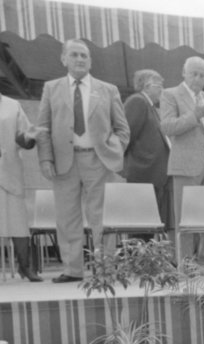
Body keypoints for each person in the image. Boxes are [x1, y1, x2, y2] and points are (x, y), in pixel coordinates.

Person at [36, 38, 130, 282]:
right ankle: (72, 269)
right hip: (63, 162)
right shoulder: (51, 88)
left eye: (84, 56)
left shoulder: (108, 89)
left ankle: (105, 267)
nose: (79, 59)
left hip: (99, 160)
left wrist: (115, 149)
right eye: (74, 55)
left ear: (90, 61)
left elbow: (122, 128)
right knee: (67, 217)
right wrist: (46, 158)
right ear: (64, 59)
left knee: (102, 217)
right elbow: (43, 128)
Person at [160, 56, 204, 263]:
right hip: (185, 164)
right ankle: (186, 263)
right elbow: (168, 127)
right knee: (185, 216)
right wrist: (194, 116)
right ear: (184, 73)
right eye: (194, 74)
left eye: (202, 75)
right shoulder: (170, 94)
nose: (198, 79)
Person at [0, 93, 42, 281]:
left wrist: (29, 138)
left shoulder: (12, 105)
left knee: (17, 220)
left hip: (10, 169)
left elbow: (25, 137)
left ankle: (25, 266)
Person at [123, 69, 171, 229]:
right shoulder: (138, 101)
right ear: (147, 85)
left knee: (148, 226)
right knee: (140, 226)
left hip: (152, 176)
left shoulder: (150, 107)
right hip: (142, 174)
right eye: (159, 86)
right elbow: (125, 137)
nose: (162, 90)